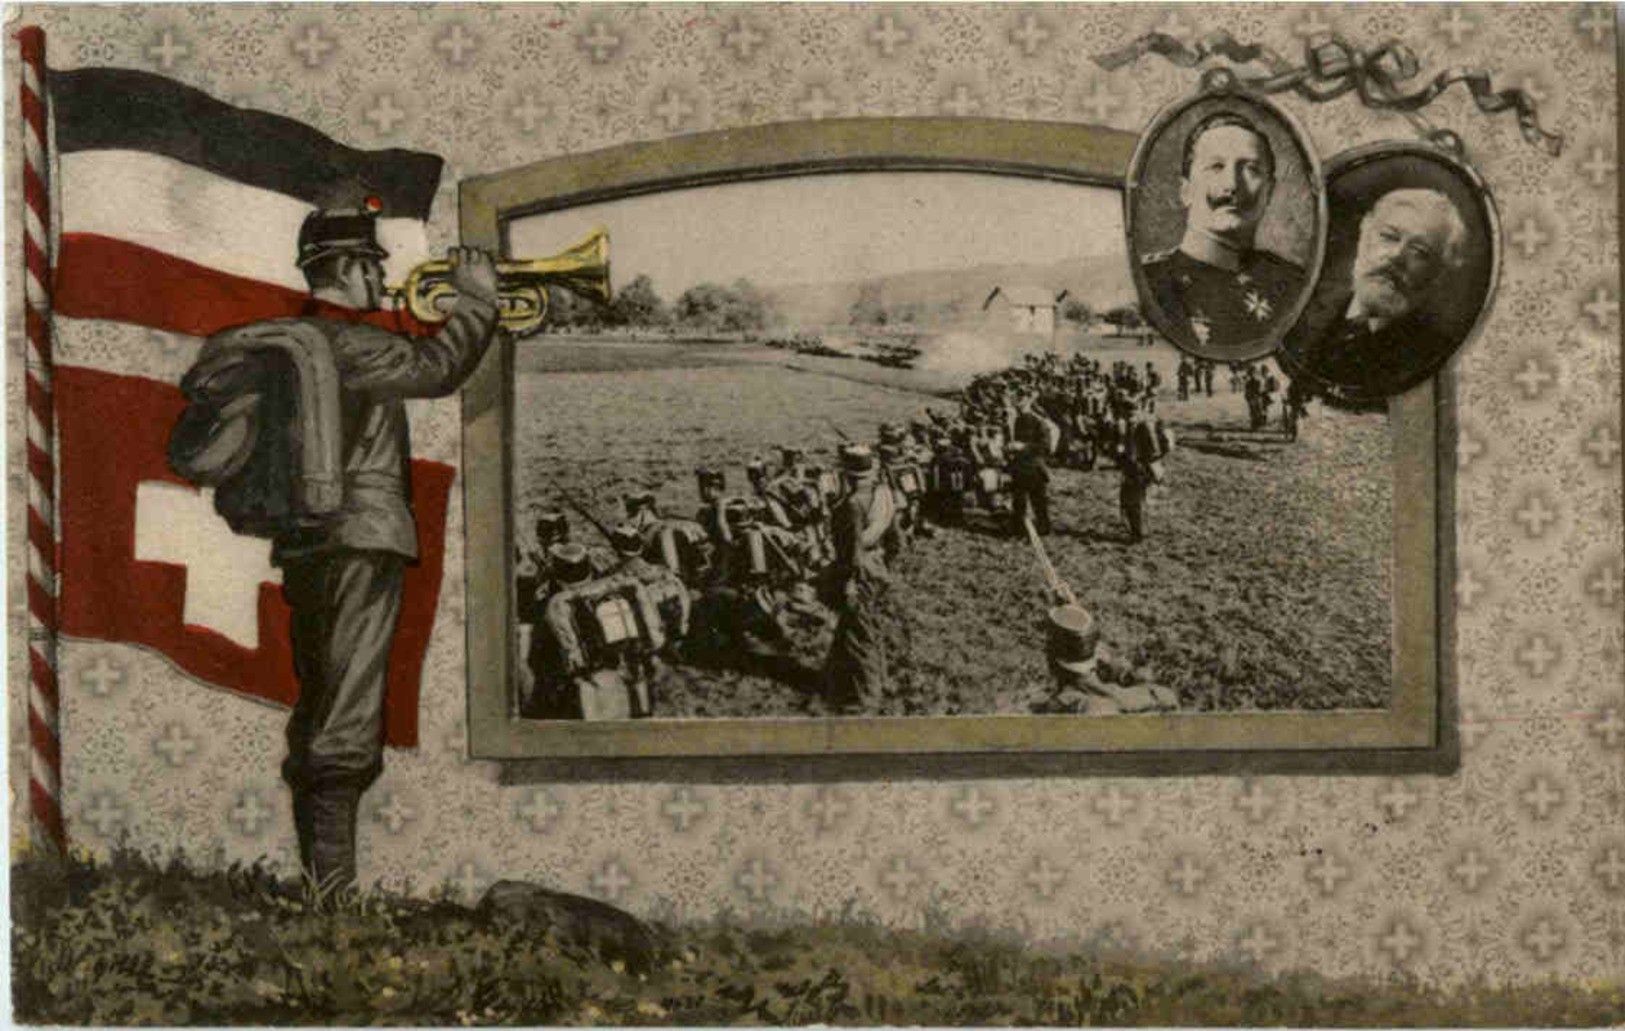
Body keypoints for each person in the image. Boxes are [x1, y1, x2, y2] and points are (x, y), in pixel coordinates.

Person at [175, 207, 502, 894]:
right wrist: (476, 300)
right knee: (346, 711)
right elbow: (438, 366)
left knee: (323, 699)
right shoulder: (352, 343)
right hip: (363, 541)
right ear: (351, 268)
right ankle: (332, 896)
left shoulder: (293, 342)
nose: (384, 281)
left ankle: (321, 885)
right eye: (375, 268)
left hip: (307, 544)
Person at [1142, 112, 1305, 352]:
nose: (1232, 184)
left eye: (1251, 169)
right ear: (1185, 190)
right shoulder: (1148, 282)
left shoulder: (1295, 285)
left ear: (1269, 191)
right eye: (1216, 166)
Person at [1288, 187, 1469, 401]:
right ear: (1364, 234)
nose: (1396, 256)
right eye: (1389, 236)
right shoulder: (1300, 309)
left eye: (1419, 252)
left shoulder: (1433, 358)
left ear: (1437, 275)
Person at [822, 444, 897, 712]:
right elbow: (894, 538)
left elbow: (853, 551)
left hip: (858, 571)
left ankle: (868, 698)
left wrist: (851, 583)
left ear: (848, 474)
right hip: (877, 564)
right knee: (860, 628)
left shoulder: (852, 504)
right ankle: (837, 680)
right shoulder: (884, 494)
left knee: (859, 636)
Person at [1009, 390, 1060, 536]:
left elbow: (1045, 446)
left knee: (1038, 501)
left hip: (1034, 466)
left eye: (1021, 400)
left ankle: (1043, 528)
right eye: (1016, 400)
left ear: (1028, 402)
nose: (1017, 403)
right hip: (1020, 466)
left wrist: (1024, 447)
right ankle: (1018, 530)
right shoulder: (1018, 420)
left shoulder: (1038, 421)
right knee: (1019, 501)